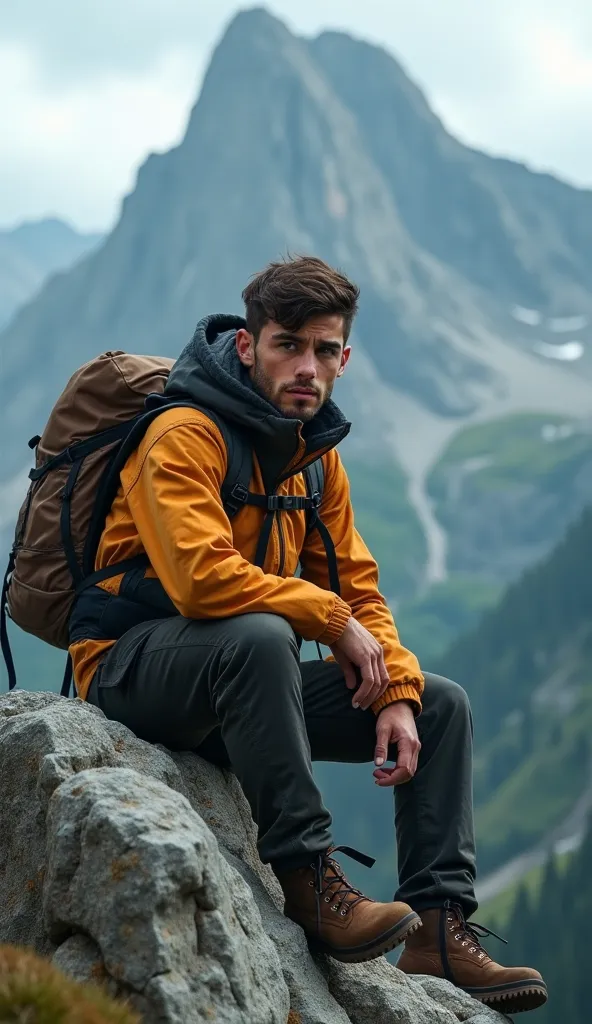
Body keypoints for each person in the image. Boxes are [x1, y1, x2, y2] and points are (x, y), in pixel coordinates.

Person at [69, 256, 546, 1014]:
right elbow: (199, 580)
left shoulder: (315, 464)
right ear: (249, 345)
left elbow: (361, 590)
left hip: (240, 690)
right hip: (133, 670)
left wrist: (393, 690)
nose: (307, 367)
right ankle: (307, 877)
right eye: (289, 344)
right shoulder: (182, 434)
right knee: (259, 636)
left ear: (345, 359)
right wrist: (328, 621)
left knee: (439, 703)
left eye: (325, 351)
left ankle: (439, 929)